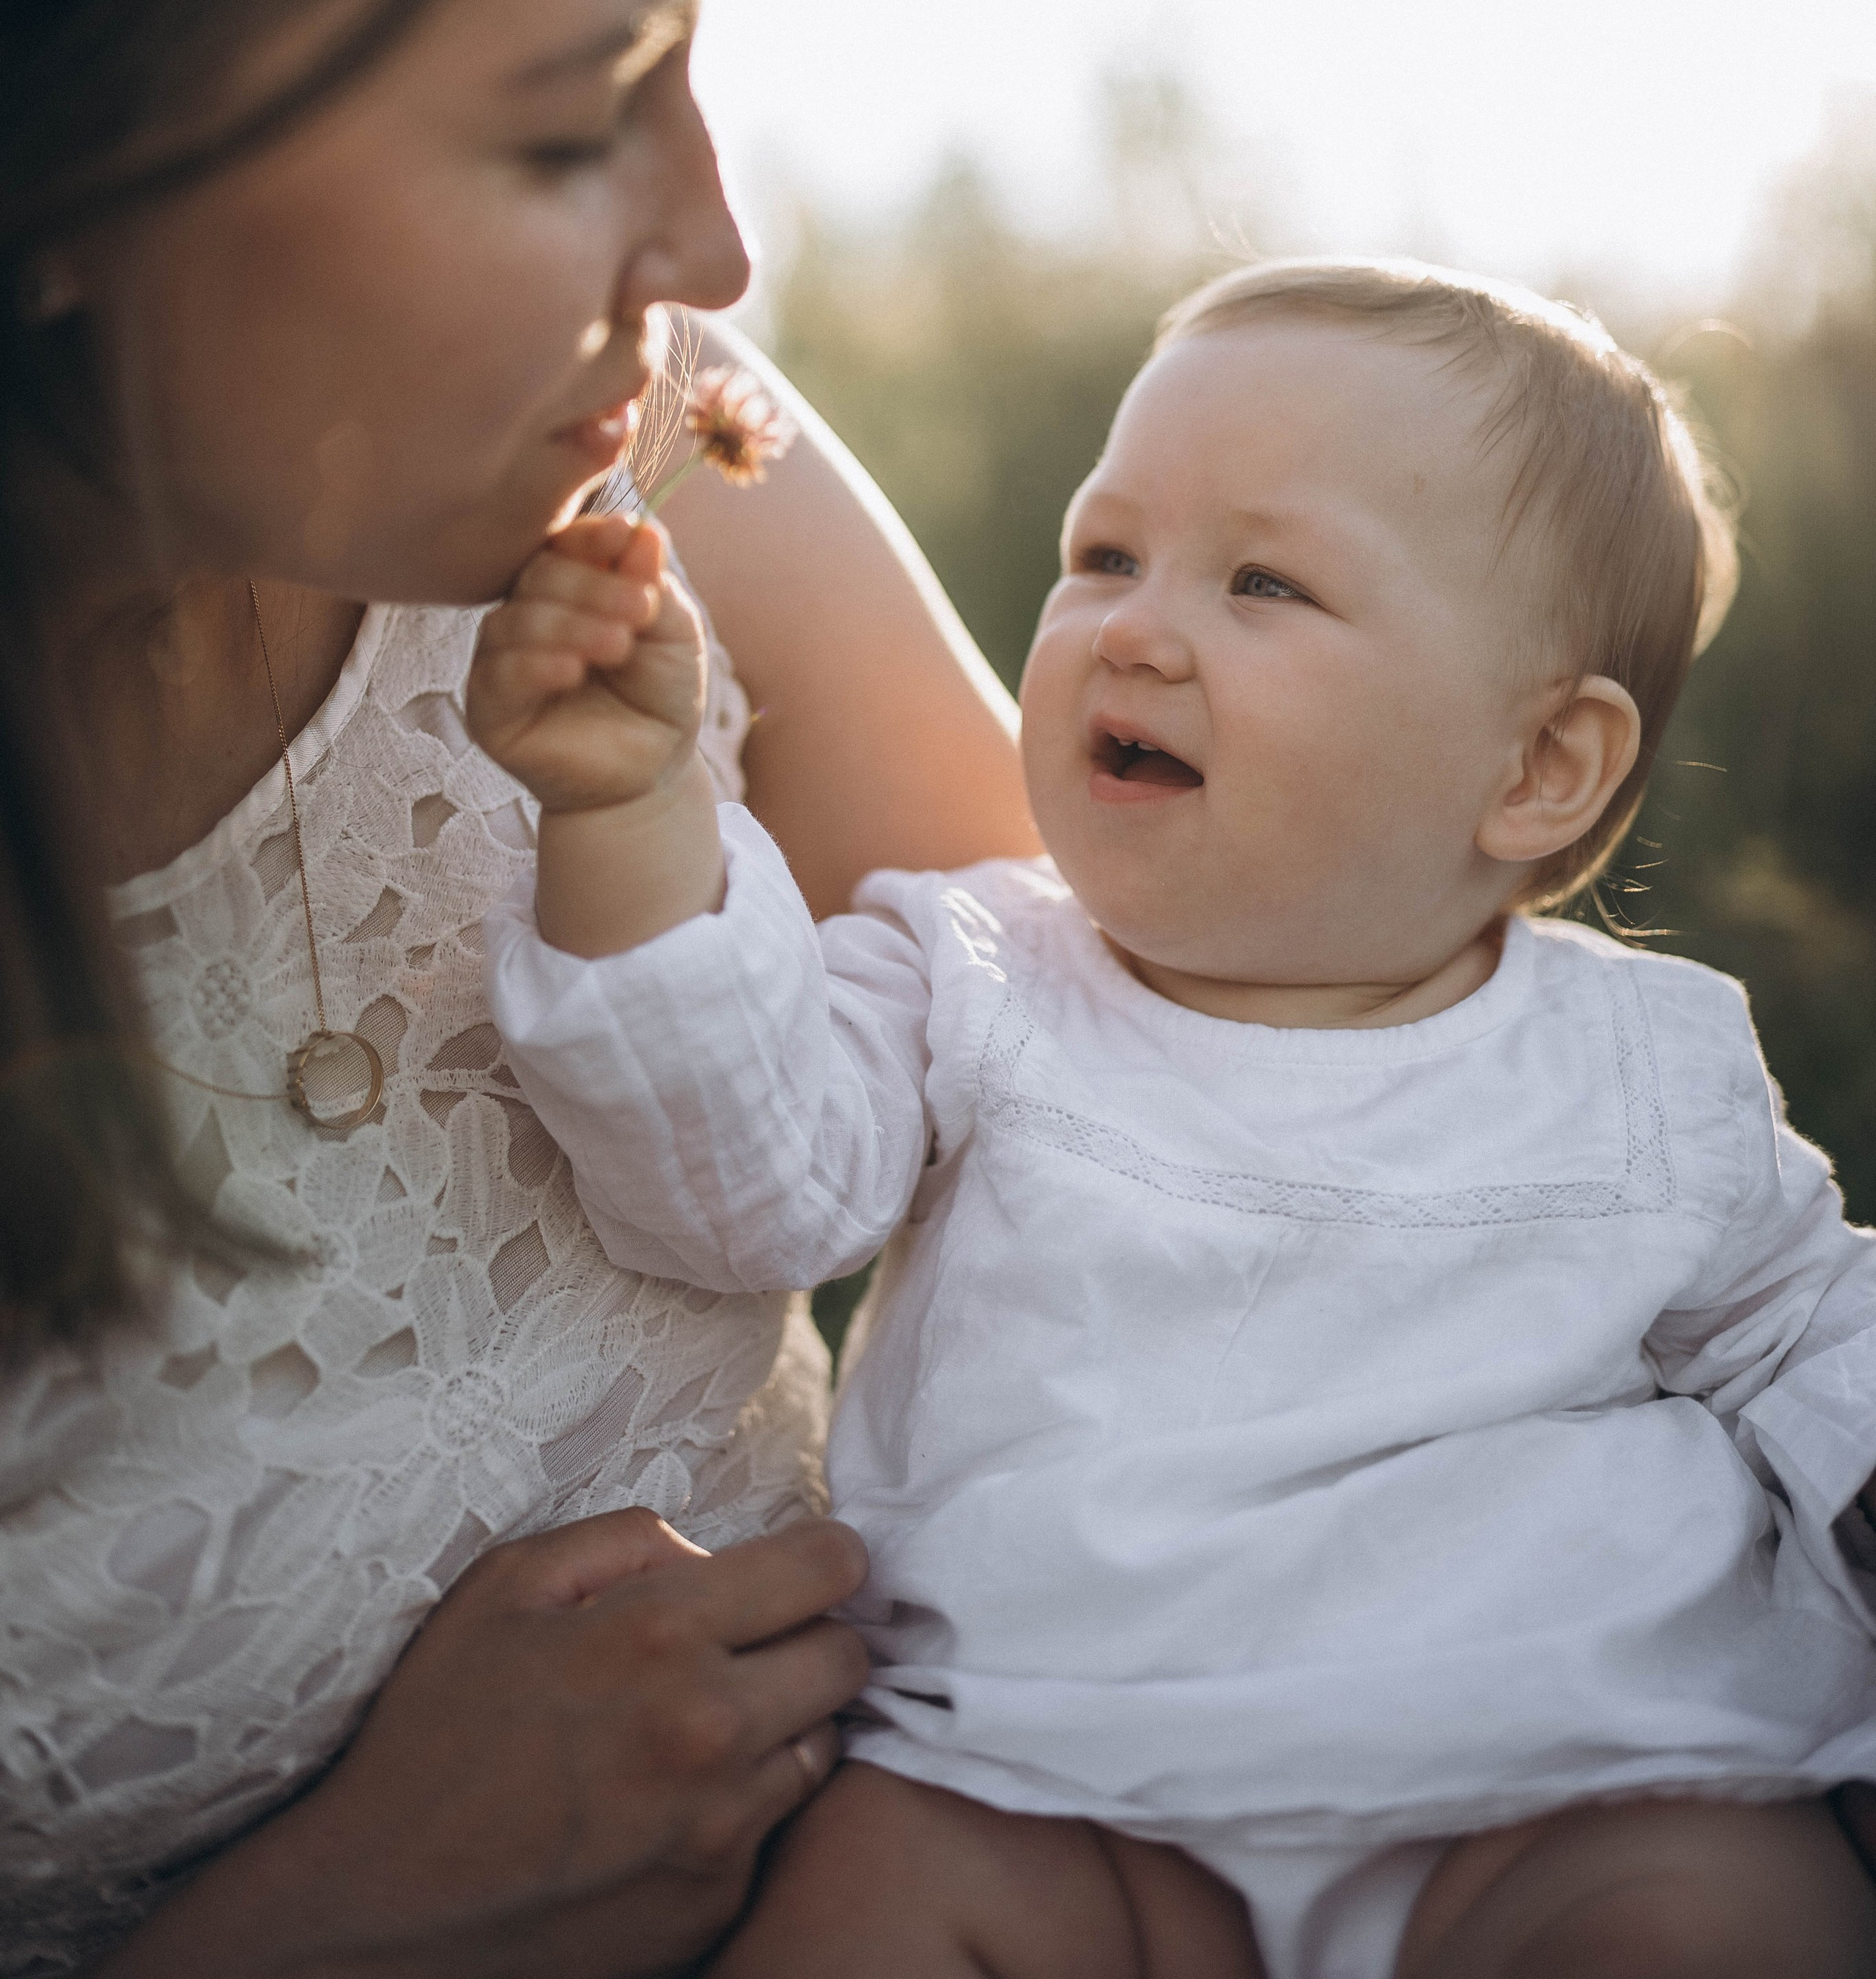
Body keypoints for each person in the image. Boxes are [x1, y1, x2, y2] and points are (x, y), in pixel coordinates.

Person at [0, 0, 1038, 1978]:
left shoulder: (658, 453)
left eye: (690, 66)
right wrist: (326, 1921)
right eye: (574, 123)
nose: (712, 243)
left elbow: (1142, 1067)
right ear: (74, 152)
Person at [468, 259, 1876, 1979]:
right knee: (873, 1893)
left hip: (1561, 1782)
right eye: (1102, 555)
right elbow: (739, 1185)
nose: (1132, 626)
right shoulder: (969, 965)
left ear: (1537, 771)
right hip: (1047, 1791)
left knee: (1735, 1915)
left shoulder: (1638, 1065)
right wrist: (626, 817)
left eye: (1262, 581)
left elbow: (1812, 1336)